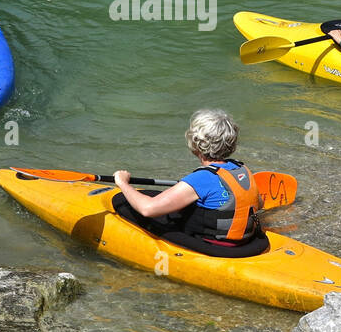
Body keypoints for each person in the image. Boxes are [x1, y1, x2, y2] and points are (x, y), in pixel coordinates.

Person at [112, 109, 268, 258]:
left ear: (196, 143)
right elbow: (258, 204)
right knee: (162, 198)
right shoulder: (242, 169)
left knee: (121, 201)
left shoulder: (202, 178)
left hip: (217, 246)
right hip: (247, 242)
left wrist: (123, 182)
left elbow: (148, 209)